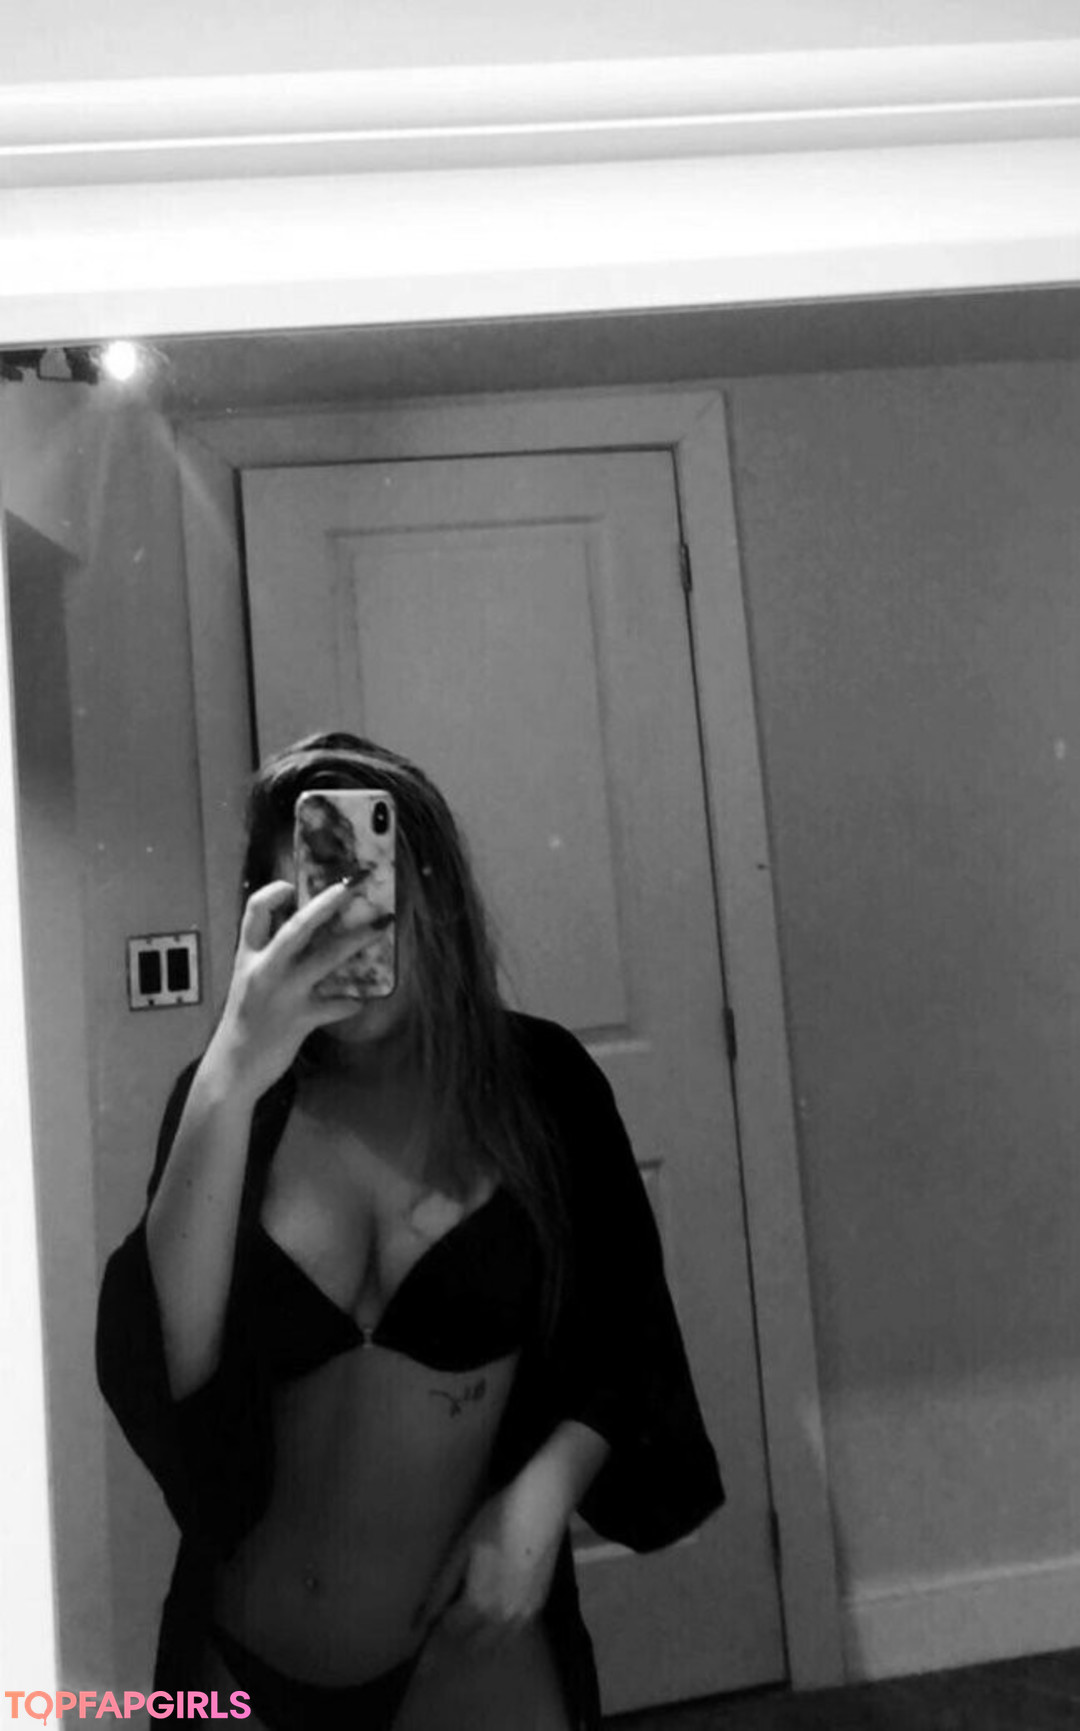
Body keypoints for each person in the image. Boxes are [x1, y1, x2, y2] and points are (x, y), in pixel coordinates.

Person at [96, 732, 724, 1731]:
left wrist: (543, 1492)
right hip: (236, 1655)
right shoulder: (232, 1104)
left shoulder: (540, 1088)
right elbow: (172, 1368)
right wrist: (233, 1065)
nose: (340, 930)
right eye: (307, 901)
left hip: (468, 1654)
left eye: (365, 890)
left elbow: (627, 1329)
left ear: (430, 893)